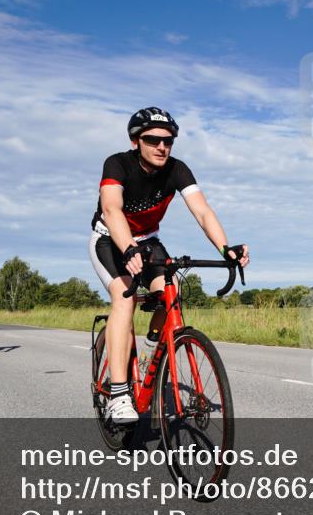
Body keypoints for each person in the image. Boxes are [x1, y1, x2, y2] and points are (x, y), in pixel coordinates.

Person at [89, 107, 249, 424]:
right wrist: (128, 247)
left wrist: (225, 248)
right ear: (136, 141)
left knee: (171, 292)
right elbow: (111, 208)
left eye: (168, 141)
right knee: (124, 298)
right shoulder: (117, 164)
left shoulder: (177, 169)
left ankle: (150, 350)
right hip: (110, 240)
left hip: (148, 241)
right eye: (153, 140)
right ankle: (119, 393)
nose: (162, 147)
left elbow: (202, 211)